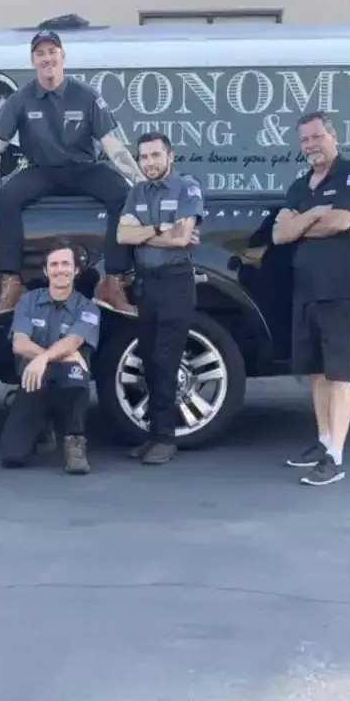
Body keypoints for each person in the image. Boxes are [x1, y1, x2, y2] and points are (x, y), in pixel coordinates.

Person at [0, 28, 145, 316]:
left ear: (62, 57)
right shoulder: (21, 99)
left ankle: (112, 282)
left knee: (124, 194)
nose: (47, 58)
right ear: (33, 61)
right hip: (43, 171)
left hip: (84, 168)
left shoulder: (85, 95)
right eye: (40, 53)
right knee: (7, 198)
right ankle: (11, 282)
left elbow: (113, 146)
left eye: (52, 51)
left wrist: (140, 180)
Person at [272, 112, 350, 487]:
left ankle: (336, 457)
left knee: (339, 375)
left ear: (333, 136)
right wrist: (315, 213)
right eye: (304, 140)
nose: (311, 145)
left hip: (343, 291)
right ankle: (323, 440)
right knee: (316, 372)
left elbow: (342, 221)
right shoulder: (301, 186)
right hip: (308, 293)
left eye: (317, 136)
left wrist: (307, 222)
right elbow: (281, 234)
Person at [115, 132, 204, 465]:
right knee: (149, 362)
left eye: (155, 155)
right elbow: (123, 234)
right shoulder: (136, 192)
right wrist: (158, 230)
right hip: (146, 286)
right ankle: (153, 435)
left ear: (171, 156)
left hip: (175, 284)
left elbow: (183, 237)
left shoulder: (186, 188)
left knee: (167, 361)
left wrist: (147, 230)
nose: (149, 163)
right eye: (144, 157)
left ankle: (166, 439)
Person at [0, 242, 99, 474]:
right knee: (11, 456)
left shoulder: (88, 307)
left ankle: (75, 439)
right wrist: (48, 358)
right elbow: (19, 343)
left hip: (66, 379)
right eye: (54, 264)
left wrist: (42, 359)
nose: (60, 269)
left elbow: (74, 341)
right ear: (46, 271)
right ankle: (41, 426)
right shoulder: (29, 300)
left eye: (66, 264)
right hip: (35, 379)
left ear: (76, 270)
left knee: (75, 374)